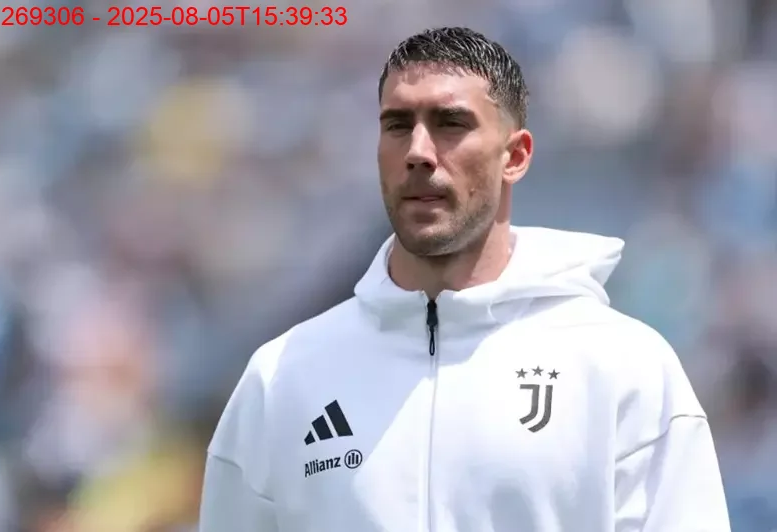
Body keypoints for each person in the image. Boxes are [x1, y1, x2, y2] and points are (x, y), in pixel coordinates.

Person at [198, 27, 731, 532]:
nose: (418, 152)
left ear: (515, 156)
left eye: (450, 124)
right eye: (397, 125)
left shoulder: (623, 367)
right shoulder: (282, 376)